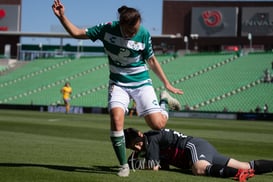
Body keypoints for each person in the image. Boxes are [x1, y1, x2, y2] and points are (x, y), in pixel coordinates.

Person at [52, 0, 183, 177]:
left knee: (158, 125)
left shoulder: (143, 33)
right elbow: (77, 33)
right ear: (121, 25)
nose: (135, 32)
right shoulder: (107, 29)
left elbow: (151, 60)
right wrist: (62, 17)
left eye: (137, 29)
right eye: (131, 31)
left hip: (141, 82)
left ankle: (164, 100)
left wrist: (167, 83)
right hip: (118, 83)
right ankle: (123, 165)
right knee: (116, 117)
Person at [124, 128, 273, 182]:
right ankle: (247, 170)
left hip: (192, 147)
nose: (137, 147)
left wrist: (136, 164)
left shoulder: (151, 139)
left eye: (137, 143)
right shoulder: (148, 142)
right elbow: (163, 164)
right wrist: (135, 158)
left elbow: (154, 167)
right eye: (133, 147)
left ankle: (240, 174)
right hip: (200, 148)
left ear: (140, 134)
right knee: (246, 165)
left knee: (199, 169)